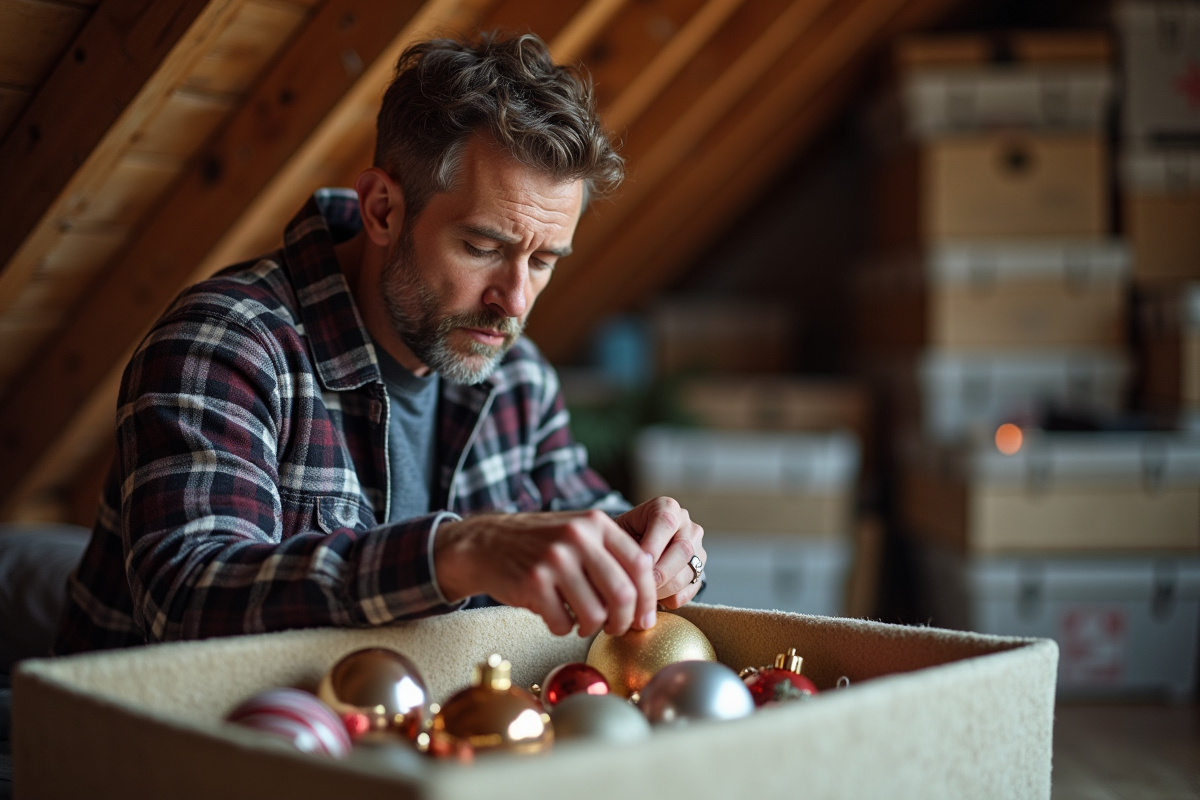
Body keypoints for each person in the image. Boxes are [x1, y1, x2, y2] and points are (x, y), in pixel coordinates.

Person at [54, 32, 706, 654]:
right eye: (483, 247)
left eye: (542, 262)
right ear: (382, 210)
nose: (513, 301)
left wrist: (659, 555)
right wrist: (455, 555)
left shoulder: (517, 377)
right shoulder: (225, 343)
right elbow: (187, 604)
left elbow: (591, 525)